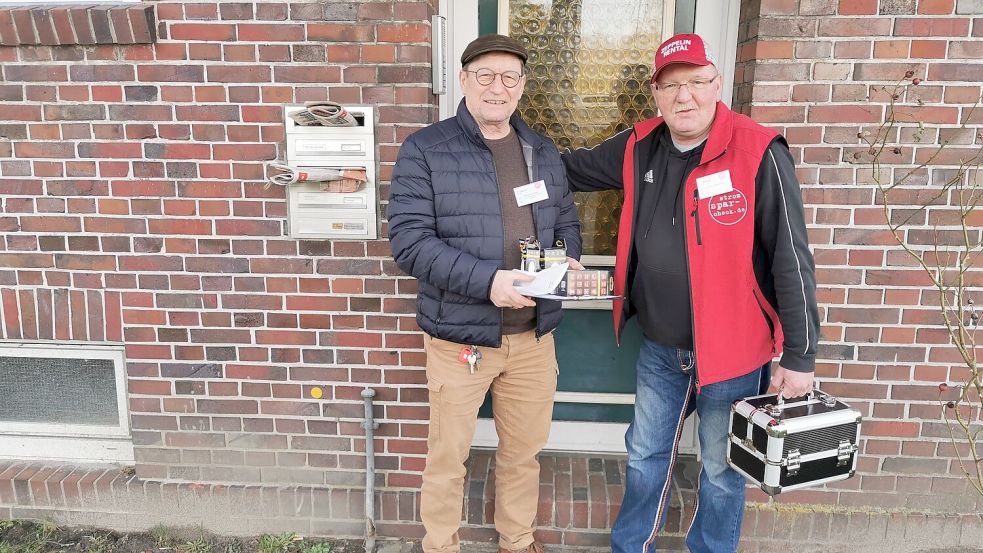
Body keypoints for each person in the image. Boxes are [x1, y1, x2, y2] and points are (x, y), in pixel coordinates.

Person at [561, 33, 819, 553]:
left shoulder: (758, 150)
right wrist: (506, 139)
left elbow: (792, 258)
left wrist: (800, 354)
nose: (685, 97)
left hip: (735, 353)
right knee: (644, 457)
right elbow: (571, 168)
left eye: (696, 82)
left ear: (716, 83)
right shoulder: (639, 145)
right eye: (671, 85)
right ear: (656, 93)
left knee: (723, 471)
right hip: (660, 347)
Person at [387, 34, 583, 553]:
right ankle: (440, 546)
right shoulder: (425, 149)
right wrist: (489, 282)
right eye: (486, 76)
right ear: (465, 80)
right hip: (461, 341)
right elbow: (409, 245)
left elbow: (565, 221)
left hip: (534, 341)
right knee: (448, 457)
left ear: (522, 86)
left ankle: (517, 542)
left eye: (510, 77)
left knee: (523, 454)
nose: (499, 87)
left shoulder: (541, 150)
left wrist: (567, 259)